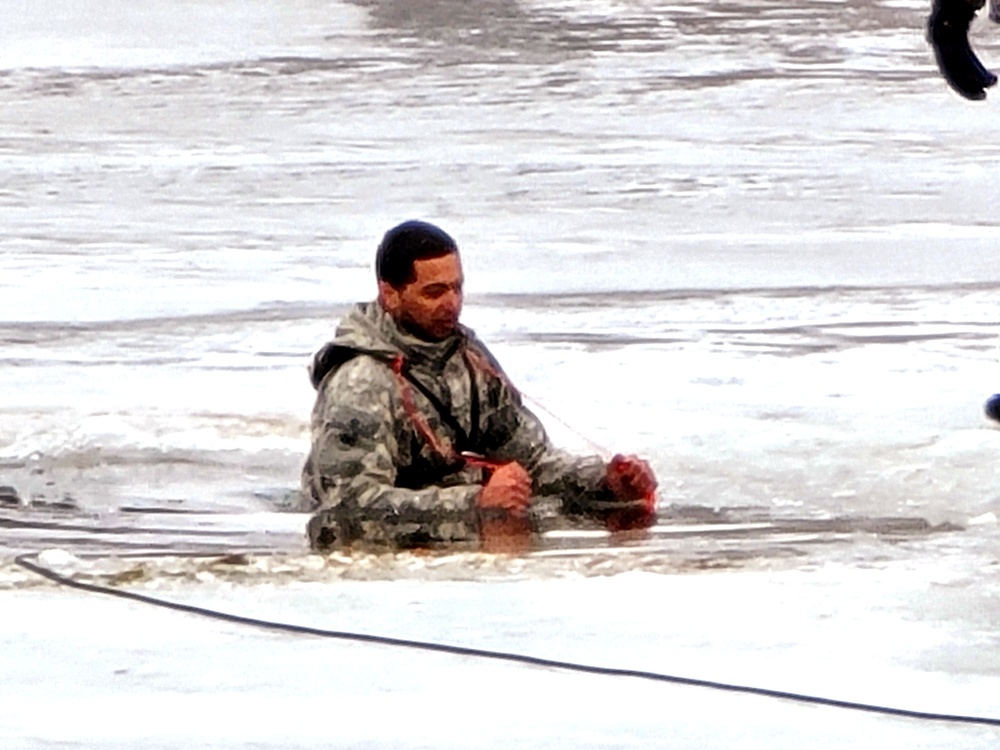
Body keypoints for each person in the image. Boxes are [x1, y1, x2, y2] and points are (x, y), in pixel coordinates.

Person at [301, 220, 658, 551]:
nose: (451, 304)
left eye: (457, 288)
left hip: (456, 540)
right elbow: (346, 504)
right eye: (434, 292)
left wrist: (606, 481)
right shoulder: (360, 381)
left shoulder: (470, 360)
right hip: (376, 559)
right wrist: (475, 502)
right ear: (390, 294)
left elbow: (531, 461)